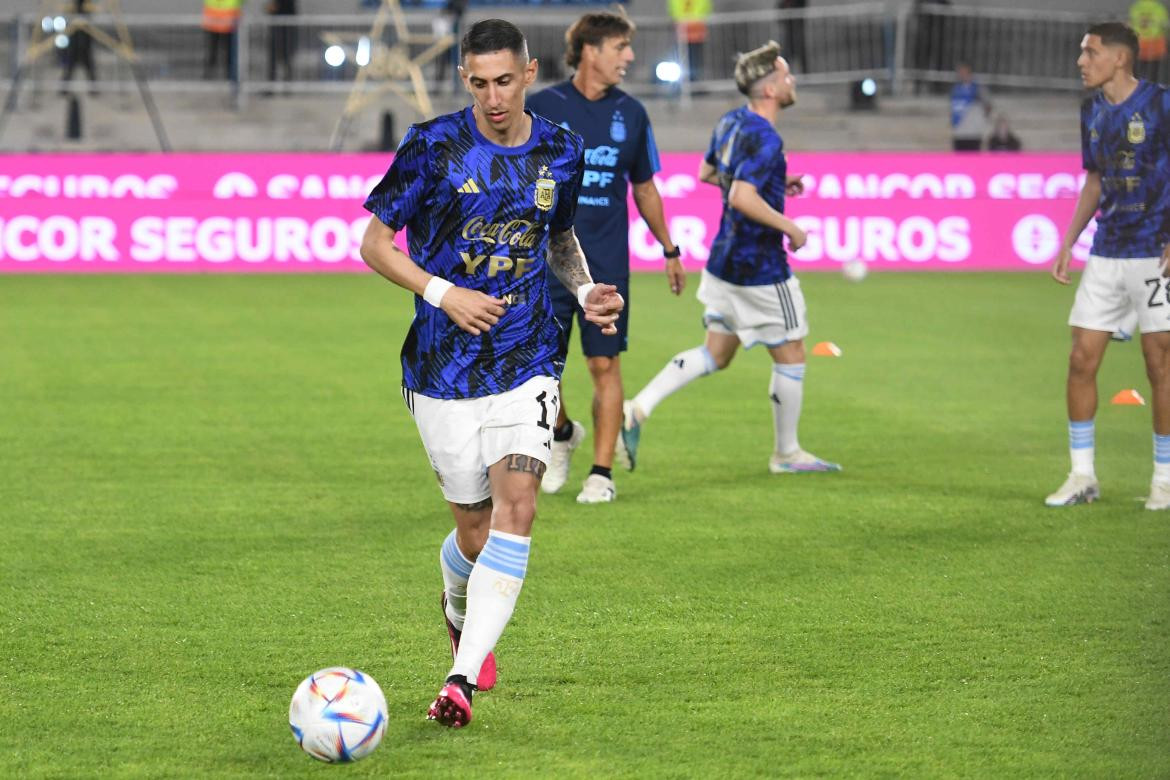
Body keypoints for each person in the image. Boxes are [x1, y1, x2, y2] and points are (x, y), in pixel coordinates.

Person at [359, 19, 624, 728]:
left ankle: (459, 682)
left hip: (529, 359)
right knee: (475, 535)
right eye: (478, 83)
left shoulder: (561, 150)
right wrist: (444, 293)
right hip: (442, 368)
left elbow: (558, 236)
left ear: (529, 72)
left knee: (520, 509)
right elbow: (374, 243)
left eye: (504, 80)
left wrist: (584, 288)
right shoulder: (433, 145)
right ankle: (456, 605)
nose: (493, 96)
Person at [620, 40, 840, 476]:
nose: (792, 80)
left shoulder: (732, 122)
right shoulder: (766, 136)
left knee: (717, 353)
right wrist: (790, 227)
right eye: (786, 75)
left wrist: (776, 181)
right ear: (771, 89)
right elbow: (741, 195)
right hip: (760, 268)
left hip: (723, 264)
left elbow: (709, 174)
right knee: (793, 353)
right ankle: (787, 453)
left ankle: (637, 407)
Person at [526, 10, 683, 504]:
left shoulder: (632, 114)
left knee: (603, 366)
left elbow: (646, 187)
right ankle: (564, 431)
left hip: (608, 264)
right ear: (590, 50)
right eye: (620, 47)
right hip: (548, 261)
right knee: (539, 369)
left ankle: (601, 472)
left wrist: (670, 249)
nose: (630, 57)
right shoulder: (543, 107)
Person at [1047, 22, 1170, 511]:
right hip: (1107, 251)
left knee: (1159, 366)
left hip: (1155, 254)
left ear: (1120, 58)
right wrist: (1069, 241)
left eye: (1090, 52)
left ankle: (1163, 478)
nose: (1081, 61)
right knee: (1081, 359)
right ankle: (1082, 476)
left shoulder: (1161, 103)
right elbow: (1094, 181)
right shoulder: (1091, 111)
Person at [950, 61, 990, 151]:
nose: (962, 75)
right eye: (960, 73)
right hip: (959, 131)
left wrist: (980, 121)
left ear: (970, 74)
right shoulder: (956, 89)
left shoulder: (978, 89)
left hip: (973, 133)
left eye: (964, 72)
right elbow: (954, 107)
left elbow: (987, 106)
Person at [60, 0, 97, 95]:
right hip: (76, 40)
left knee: (86, 64)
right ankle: (64, 88)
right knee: (71, 66)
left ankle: (93, 88)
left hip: (83, 41)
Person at [202, 0, 243, 80]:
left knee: (215, 51)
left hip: (217, 22)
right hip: (226, 22)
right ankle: (228, 74)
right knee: (225, 52)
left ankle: (210, 74)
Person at [1130, 0, 1168, 83]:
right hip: (1155, 45)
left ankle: (1138, 90)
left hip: (1139, 44)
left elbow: (1132, 24)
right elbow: (1164, 26)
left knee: (1137, 74)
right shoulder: (1159, 8)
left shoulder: (1136, 7)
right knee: (1154, 75)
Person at [266, 0, 297, 84]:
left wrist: (275, 6)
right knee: (274, 59)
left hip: (286, 29)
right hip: (278, 28)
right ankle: (272, 85)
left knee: (286, 59)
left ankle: (287, 85)